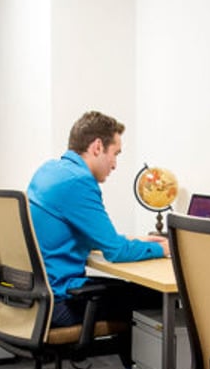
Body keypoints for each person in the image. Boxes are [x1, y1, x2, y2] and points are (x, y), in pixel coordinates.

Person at [27, 111, 169, 329]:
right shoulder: (79, 182)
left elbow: (65, 232)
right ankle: (138, 364)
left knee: (130, 292)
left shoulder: (49, 171)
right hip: (61, 302)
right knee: (157, 298)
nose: (115, 165)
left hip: (35, 297)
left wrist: (131, 240)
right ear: (97, 147)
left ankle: (133, 364)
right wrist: (165, 249)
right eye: (115, 154)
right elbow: (117, 252)